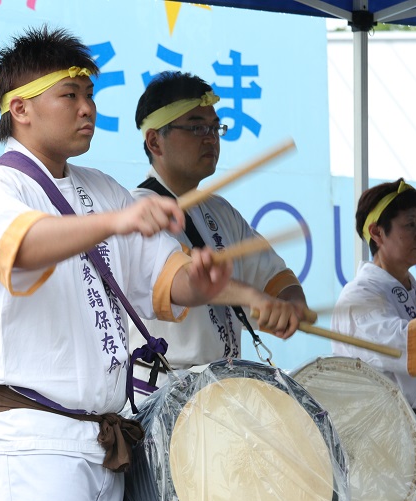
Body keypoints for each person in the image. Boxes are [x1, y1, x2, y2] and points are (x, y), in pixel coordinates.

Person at [0, 27, 232, 501]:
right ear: (20, 109)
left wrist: (202, 280)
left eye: (90, 95)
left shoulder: (103, 189)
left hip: (99, 439)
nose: (87, 108)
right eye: (70, 95)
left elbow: (166, 280)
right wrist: (113, 223)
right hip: (27, 441)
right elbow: (26, 246)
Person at [129, 70, 309, 402]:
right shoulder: (138, 211)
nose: (211, 138)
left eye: (215, 128)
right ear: (155, 141)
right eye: (196, 127)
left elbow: (276, 278)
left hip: (219, 395)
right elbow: (186, 278)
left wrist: (289, 306)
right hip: (164, 397)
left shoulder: (221, 212)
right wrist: (256, 300)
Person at [332, 178, 416, 501]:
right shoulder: (358, 299)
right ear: (377, 233)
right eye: (409, 225)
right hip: (384, 457)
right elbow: (408, 344)